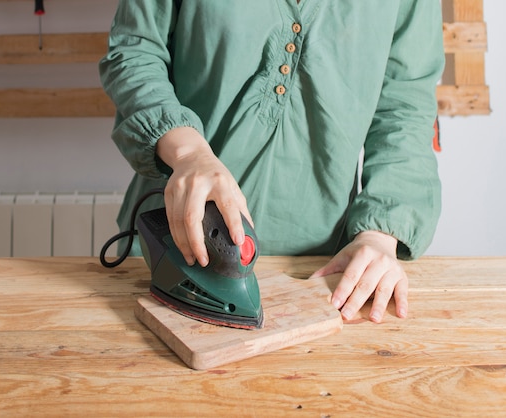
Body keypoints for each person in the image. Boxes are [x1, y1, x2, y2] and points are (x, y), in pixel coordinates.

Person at [99, 0, 444, 323]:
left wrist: (381, 235)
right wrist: (189, 153)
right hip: (173, 247)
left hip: (326, 273)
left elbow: (405, 104)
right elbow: (134, 51)